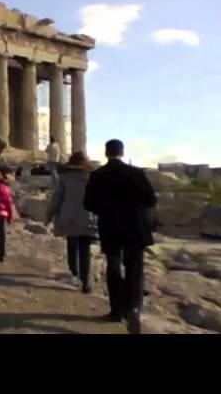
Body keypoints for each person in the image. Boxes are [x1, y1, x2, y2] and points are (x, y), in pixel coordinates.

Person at [84, 139, 157, 334]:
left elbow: (88, 204)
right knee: (135, 269)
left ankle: (116, 310)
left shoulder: (97, 175)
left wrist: (106, 209)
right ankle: (134, 308)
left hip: (110, 227)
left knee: (113, 266)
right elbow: (151, 199)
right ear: (122, 152)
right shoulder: (136, 173)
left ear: (106, 153)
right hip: (135, 227)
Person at [46, 151, 98, 294]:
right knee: (85, 249)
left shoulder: (65, 178)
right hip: (88, 216)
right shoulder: (92, 177)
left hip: (69, 217)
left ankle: (75, 273)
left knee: (72, 245)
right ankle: (86, 282)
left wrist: (49, 215)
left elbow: (57, 198)